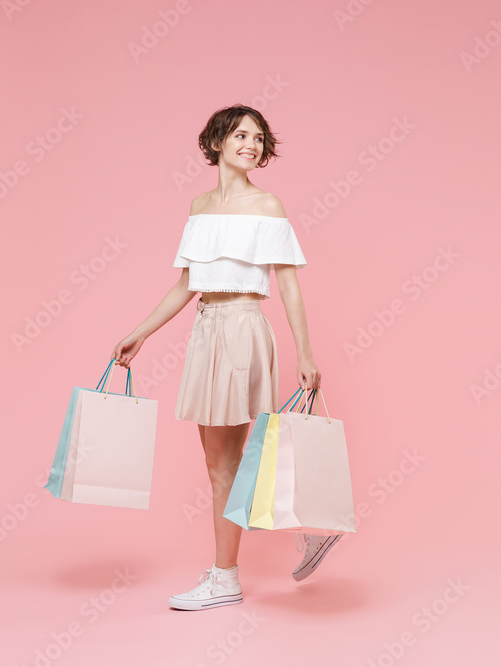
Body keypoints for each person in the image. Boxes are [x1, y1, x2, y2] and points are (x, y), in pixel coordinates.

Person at [111, 105, 340, 611]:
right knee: (223, 464)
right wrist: (140, 332)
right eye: (241, 135)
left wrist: (305, 350)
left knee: (226, 466)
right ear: (216, 142)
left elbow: (287, 283)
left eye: (258, 138)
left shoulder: (268, 206)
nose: (252, 145)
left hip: (242, 328)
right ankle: (288, 539)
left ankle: (226, 576)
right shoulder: (199, 207)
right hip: (206, 331)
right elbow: (189, 283)